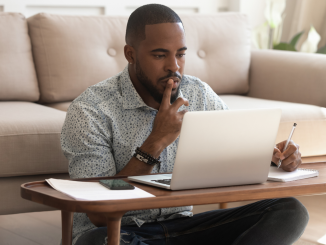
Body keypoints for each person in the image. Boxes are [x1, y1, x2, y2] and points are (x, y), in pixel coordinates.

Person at [61, 4, 308, 245]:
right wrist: (154, 143)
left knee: (289, 211)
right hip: (121, 231)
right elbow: (99, 213)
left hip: (186, 227)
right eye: (160, 55)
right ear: (130, 54)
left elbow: (235, 149)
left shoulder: (198, 94)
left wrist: (275, 156)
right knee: (98, 241)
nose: (174, 67)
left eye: (180, 54)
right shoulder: (91, 110)